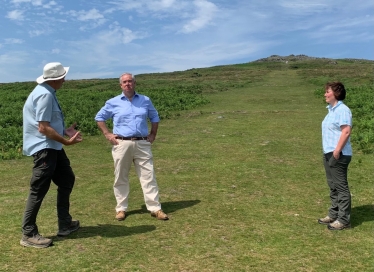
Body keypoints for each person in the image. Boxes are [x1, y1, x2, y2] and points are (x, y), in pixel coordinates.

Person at [20, 62, 82, 248]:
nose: (65, 79)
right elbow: (43, 127)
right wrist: (66, 142)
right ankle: (28, 233)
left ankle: (65, 224)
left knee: (66, 179)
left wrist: (64, 130)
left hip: (52, 146)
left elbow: (48, 123)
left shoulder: (46, 92)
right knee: (38, 189)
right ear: (56, 79)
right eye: (63, 76)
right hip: (45, 149)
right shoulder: (45, 95)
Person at [95, 73, 168, 221]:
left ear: (135, 83)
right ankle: (121, 209)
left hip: (142, 142)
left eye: (130, 81)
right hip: (122, 143)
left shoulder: (145, 100)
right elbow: (99, 117)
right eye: (125, 82)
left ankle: (155, 208)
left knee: (148, 175)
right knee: (121, 176)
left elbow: (154, 117)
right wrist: (107, 134)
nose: (128, 84)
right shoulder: (113, 102)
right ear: (121, 85)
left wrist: (153, 134)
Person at [318, 82, 352, 230]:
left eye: (327, 92)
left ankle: (343, 220)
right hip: (329, 152)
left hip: (338, 153)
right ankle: (334, 214)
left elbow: (346, 131)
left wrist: (337, 151)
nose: (325, 94)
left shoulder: (343, 110)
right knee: (333, 185)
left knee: (340, 186)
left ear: (336, 93)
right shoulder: (331, 111)